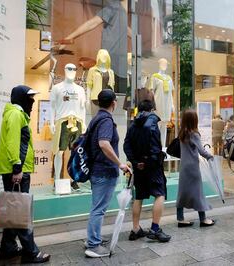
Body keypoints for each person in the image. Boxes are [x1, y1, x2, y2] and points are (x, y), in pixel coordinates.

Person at [0, 85, 50, 263]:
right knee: (21, 211)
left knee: (14, 209)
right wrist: (17, 168)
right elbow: (13, 142)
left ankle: (8, 248)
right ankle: (31, 253)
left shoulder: (16, 114)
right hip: (17, 171)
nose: (32, 101)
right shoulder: (16, 114)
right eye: (29, 97)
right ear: (20, 98)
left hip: (17, 169)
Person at [85, 90, 131, 258]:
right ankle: (93, 245)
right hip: (104, 171)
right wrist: (120, 163)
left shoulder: (96, 118)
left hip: (97, 170)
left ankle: (92, 238)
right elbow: (104, 143)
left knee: (97, 207)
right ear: (114, 103)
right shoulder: (105, 120)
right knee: (99, 209)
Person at [124, 100, 171, 243]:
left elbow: (127, 146)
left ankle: (135, 229)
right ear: (151, 109)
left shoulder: (132, 125)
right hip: (152, 166)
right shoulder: (151, 124)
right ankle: (155, 229)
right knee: (160, 193)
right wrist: (149, 162)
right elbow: (155, 147)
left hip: (138, 167)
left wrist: (136, 162)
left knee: (139, 196)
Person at [59, 0, 130, 93]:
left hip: (121, 68)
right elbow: (92, 23)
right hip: (110, 65)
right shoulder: (114, 8)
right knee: (109, 98)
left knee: (120, 99)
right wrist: (68, 39)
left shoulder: (124, 12)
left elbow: (126, 29)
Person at [176, 109, 216, 227]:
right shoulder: (194, 134)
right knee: (198, 193)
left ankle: (180, 219)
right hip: (193, 167)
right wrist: (211, 157)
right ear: (194, 120)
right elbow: (202, 151)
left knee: (182, 193)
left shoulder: (182, 133)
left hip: (184, 167)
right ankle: (203, 219)